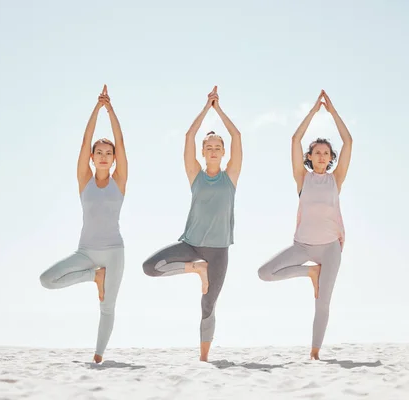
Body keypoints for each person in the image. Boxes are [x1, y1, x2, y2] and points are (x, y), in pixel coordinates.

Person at [142, 86, 243, 362]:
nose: (213, 150)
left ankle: (203, 358)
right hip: (191, 245)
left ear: (223, 153)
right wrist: (205, 109)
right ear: (202, 152)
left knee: (208, 304)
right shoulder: (195, 175)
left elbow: (237, 135)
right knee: (149, 267)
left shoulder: (230, 177)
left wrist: (218, 109)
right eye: (208, 147)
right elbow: (188, 136)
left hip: (219, 250)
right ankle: (194, 269)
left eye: (217, 148)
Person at [257, 90, 353, 360]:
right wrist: (313, 112)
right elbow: (295, 139)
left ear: (330, 157)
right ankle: (310, 274)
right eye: (316, 153)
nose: (321, 157)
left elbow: (349, 141)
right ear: (309, 157)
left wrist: (332, 112)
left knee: (323, 303)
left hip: (330, 249)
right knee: (265, 273)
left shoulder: (336, 179)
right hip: (302, 248)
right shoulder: (302, 178)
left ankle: (314, 353)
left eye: (325, 153)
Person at [39, 85, 128, 364]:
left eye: (108, 153)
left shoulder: (119, 181)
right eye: (98, 152)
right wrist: (96, 108)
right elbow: (84, 140)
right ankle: (94, 277)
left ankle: (99, 356)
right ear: (92, 157)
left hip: (114, 253)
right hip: (86, 252)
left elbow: (121, 142)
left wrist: (110, 110)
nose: (103, 156)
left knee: (107, 308)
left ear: (113, 159)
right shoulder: (85, 181)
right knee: (47, 280)